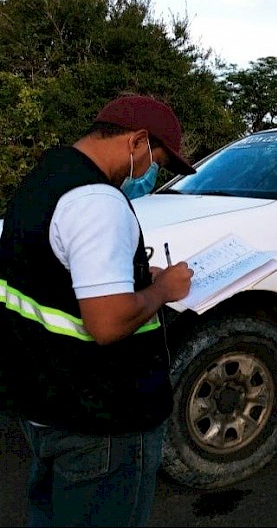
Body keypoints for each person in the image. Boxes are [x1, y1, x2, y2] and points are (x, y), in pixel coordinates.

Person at [0, 94, 196, 527]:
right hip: (102, 420)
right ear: (137, 142)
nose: (150, 173)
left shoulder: (47, 177)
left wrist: (138, 279)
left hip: (47, 404)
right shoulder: (97, 202)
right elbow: (107, 324)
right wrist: (162, 289)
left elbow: (54, 279)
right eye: (157, 160)